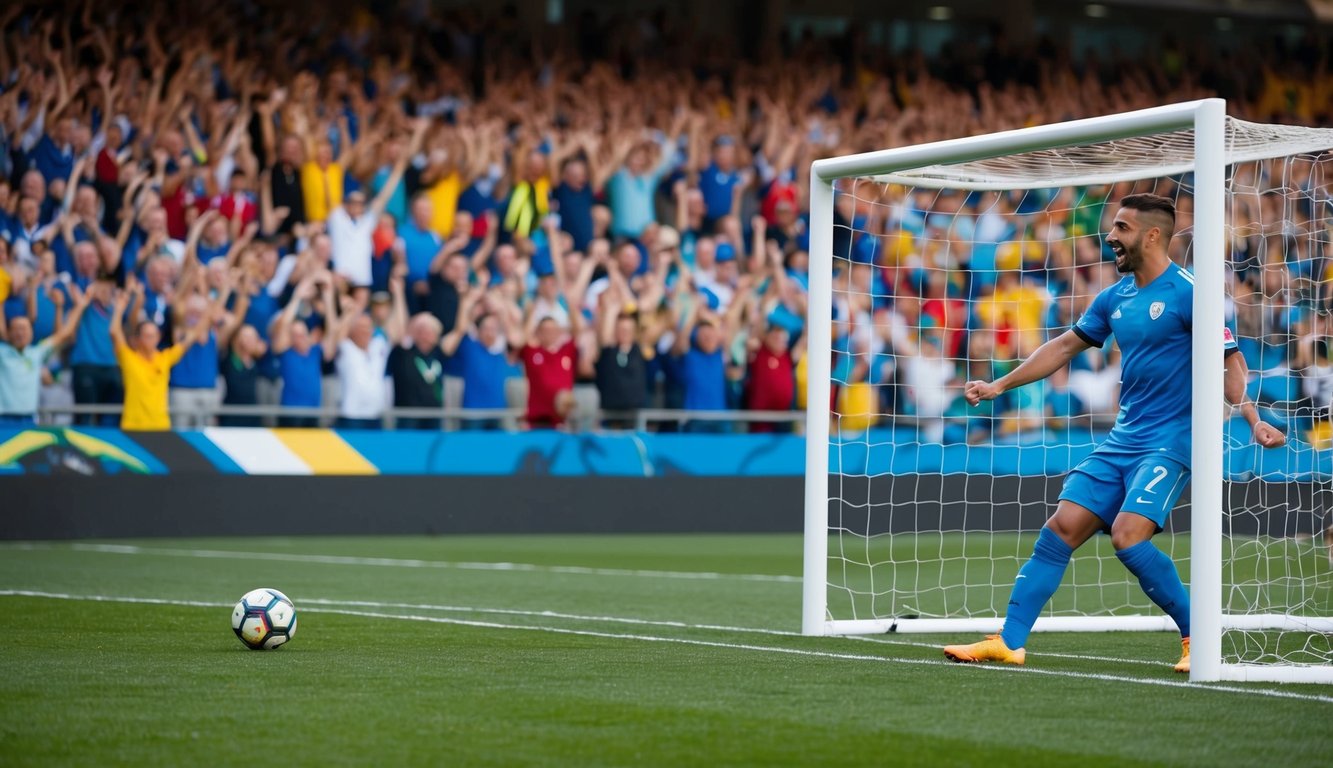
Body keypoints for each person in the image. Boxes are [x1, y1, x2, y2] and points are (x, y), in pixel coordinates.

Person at [942, 194, 1287, 673]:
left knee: (1128, 537)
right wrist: (1000, 384)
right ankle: (1010, 640)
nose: (1110, 237)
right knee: (1060, 528)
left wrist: (1252, 419)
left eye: (1121, 228)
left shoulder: (1191, 293)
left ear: (1151, 235)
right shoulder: (1115, 297)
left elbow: (1230, 363)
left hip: (1172, 440)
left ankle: (1197, 638)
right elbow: (1064, 347)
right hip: (1124, 438)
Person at [109, 279, 213, 431]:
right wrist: (119, 309)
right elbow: (114, 332)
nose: (151, 340)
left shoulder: (165, 358)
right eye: (147, 336)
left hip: (160, 426)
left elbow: (193, 336)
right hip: (133, 426)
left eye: (154, 336)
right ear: (137, 339)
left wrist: (206, 306)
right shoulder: (129, 358)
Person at [0, 284, 90, 425]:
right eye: (16, 329)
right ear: (8, 333)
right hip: (3, 419)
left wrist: (80, 306)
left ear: (31, 333)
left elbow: (64, 334)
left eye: (24, 329)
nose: (20, 333)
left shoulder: (36, 353)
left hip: (28, 419)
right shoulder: (2, 352)